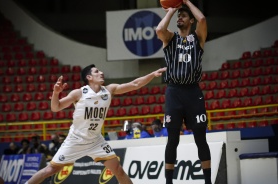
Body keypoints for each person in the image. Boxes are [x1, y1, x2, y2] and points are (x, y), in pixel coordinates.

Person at [25, 64, 166, 184]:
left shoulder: (109, 90)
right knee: (51, 170)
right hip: (75, 140)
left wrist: (152, 74)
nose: (101, 73)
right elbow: (55, 108)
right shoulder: (79, 93)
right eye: (97, 72)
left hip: (95, 141)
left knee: (118, 170)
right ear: (89, 77)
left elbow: (135, 84)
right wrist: (56, 93)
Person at [156, 1, 211, 184]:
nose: (180, 17)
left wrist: (186, 1)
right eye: (179, 15)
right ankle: (169, 182)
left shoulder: (198, 38)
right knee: (172, 140)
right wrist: (171, 11)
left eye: (183, 15)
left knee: (200, 139)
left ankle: (208, 181)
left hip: (193, 93)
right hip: (174, 92)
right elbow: (159, 30)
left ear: (191, 21)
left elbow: (202, 18)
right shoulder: (170, 38)